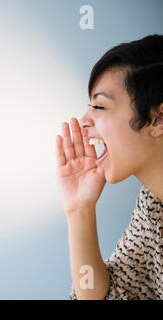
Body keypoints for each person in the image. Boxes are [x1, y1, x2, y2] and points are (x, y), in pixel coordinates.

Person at [55, 34, 163, 300]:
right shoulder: (152, 207)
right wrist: (79, 210)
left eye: (100, 106)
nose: (83, 121)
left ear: (158, 119)